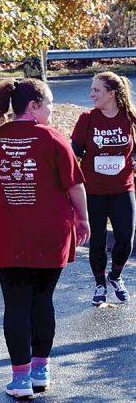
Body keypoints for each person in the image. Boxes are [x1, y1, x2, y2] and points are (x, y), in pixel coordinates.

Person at [0, 78, 90, 398]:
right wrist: (83, 219)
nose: (52, 109)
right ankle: (41, 371)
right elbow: (75, 185)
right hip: (52, 233)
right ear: (33, 106)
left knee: (17, 306)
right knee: (42, 301)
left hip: (11, 235)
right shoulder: (53, 138)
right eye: (49, 103)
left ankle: (21, 380)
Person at [70, 71, 136, 305]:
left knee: (126, 239)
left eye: (96, 90)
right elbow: (74, 154)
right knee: (96, 240)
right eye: (92, 89)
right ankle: (99, 284)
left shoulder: (129, 118)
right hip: (93, 191)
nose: (91, 94)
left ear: (111, 93)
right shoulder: (87, 118)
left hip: (123, 188)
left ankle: (115, 277)